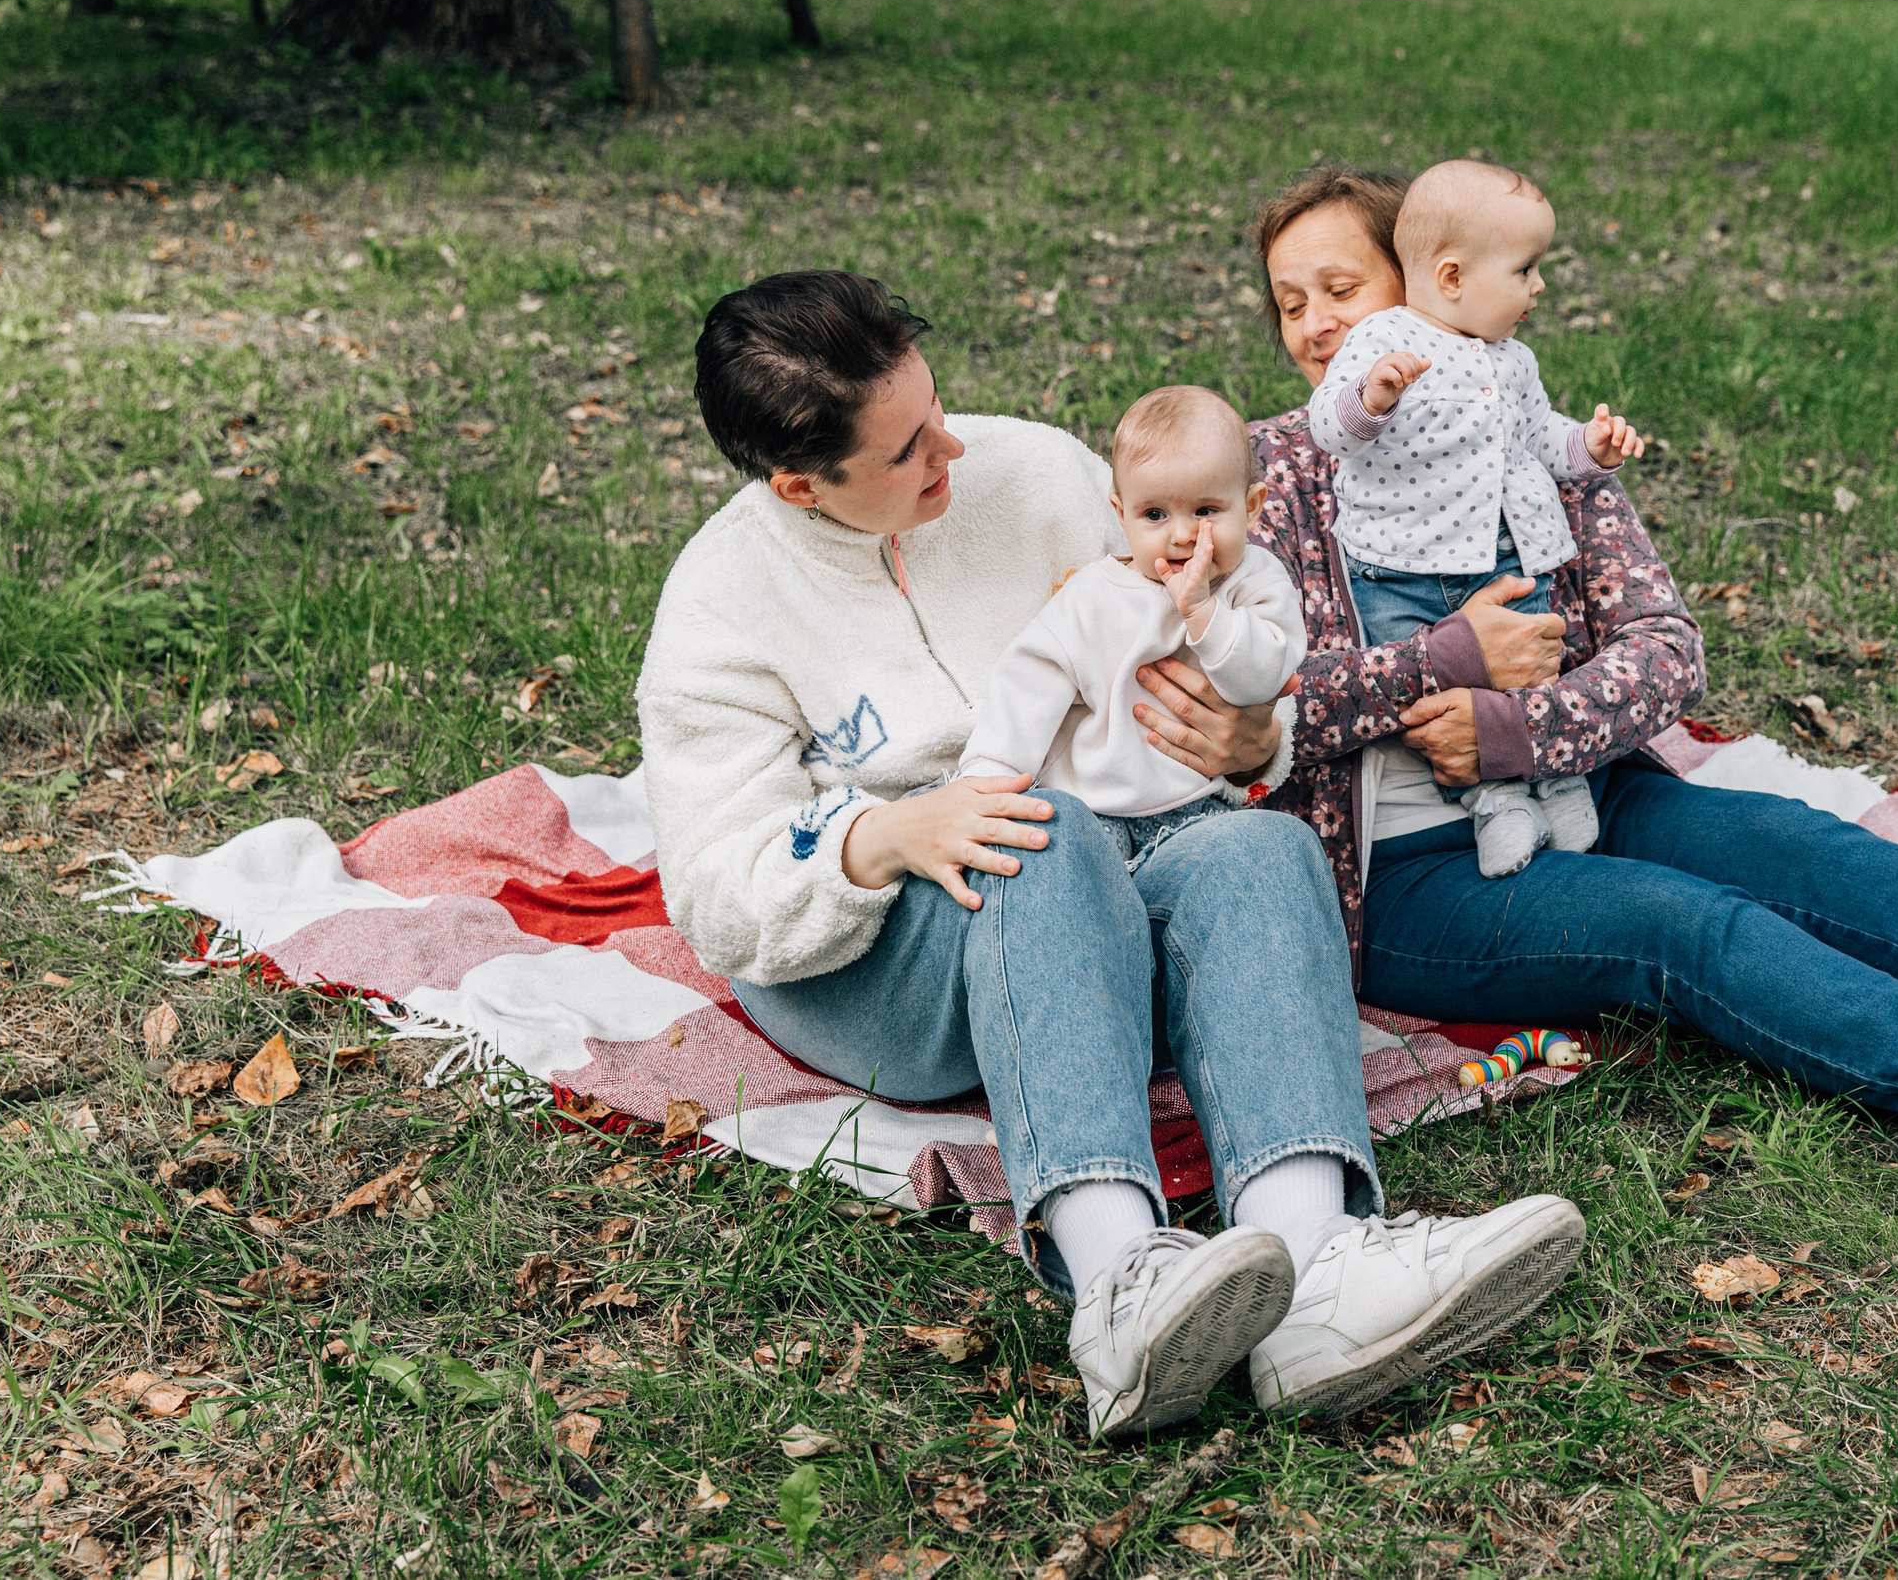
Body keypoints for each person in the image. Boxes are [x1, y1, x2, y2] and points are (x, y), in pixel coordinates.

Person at [635, 271, 1585, 1441]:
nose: (950, 450)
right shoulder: (720, 604)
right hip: (877, 962)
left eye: (935, 408)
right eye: (905, 452)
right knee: (1043, 833)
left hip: (1112, 868)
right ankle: (1120, 1283)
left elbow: (1212, 626)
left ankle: (1321, 1272)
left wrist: (1256, 740)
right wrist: (879, 835)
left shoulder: (1033, 472)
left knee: (1252, 847)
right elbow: (722, 898)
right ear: (798, 486)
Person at [1234, 164, 1898, 1190]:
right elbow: (1242, 710)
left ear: (1431, 279)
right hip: (1411, 881)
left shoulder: (1537, 443)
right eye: (1290, 304)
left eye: (1342, 288)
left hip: (1588, 786)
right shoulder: (1259, 477)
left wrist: (1526, 728)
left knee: (1795, 849)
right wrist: (1438, 666)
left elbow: (1665, 649)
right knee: (1682, 925)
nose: (1319, 326)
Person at [1307, 160, 1645, 877]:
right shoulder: (1380, 341)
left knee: (1533, 668)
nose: (1540, 285)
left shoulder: (1514, 360)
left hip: (1511, 556)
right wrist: (1372, 397)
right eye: (1526, 270)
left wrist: (1591, 445)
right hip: (1398, 574)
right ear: (1453, 277)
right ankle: (1495, 803)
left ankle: (1556, 778)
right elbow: (1330, 430)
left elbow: (1541, 437)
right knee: (1448, 703)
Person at [958, 385, 1303, 868]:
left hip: (1199, 803)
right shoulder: (1092, 597)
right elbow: (1029, 682)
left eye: (1206, 511)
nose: (1182, 535)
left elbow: (1263, 678)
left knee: (1248, 860)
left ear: (1251, 506)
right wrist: (988, 777)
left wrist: (1204, 612)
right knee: (1067, 868)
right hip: (1091, 804)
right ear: (1122, 515)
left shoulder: (1255, 580)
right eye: (1155, 515)